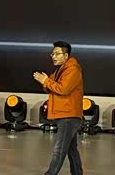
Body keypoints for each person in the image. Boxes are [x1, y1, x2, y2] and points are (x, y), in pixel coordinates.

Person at [33, 41, 84, 175]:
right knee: (71, 150)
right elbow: (50, 86)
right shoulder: (60, 70)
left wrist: (46, 81)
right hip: (66, 114)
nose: (53, 56)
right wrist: (45, 81)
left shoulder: (73, 69)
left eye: (57, 53)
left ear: (66, 56)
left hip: (68, 116)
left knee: (59, 149)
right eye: (52, 54)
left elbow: (63, 89)